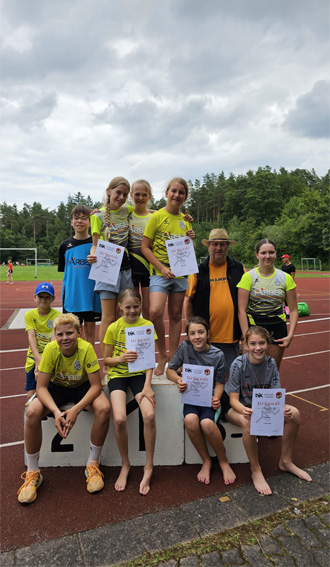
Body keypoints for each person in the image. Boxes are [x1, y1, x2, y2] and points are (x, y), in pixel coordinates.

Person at [17, 313, 110, 504]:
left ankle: (92, 464)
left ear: (79, 332)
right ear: (55, 335)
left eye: (69, 333)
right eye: (60, 334)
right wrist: (56, 412)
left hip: (82, 388)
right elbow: (41, 387)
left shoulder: (87, 348)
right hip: (56, 388)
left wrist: (75, 410)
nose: (64, 338)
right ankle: (33, 472)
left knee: (104, 408)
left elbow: (96, 386)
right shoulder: (51, 349)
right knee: (33, 412)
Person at [221, 326, 312, 495]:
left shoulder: (271, 364)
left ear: (267, 343)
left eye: (262, 343)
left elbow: (275, 396)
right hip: (236, 406)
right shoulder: (238, 364)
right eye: (253, 343)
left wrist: (282, 409)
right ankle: (256, 470)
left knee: (295, 414)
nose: (258, 347)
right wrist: (244, 410)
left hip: (261, 405)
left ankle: (286, 461)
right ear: (246, 345)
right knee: (249, 423)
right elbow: (233, 400)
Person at [167, 316, 236, 486]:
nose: (197, 336)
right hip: (191, 397)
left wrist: (216, 399)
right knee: (190, 420)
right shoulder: (184, 348)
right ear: (188, 336)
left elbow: (220, 383)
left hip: (209, 398)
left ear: (208, 334)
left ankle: (223, 460)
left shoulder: (217, 354)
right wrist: (178, 380)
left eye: (200, 332)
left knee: (206, 423)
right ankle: (206, 460)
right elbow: (170, 370)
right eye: (192, 333)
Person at [103, 288, 156, 495]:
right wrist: (120, 359)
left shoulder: (147, 326)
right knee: (119, 419)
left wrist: (147, 385)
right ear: (120, 307)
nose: (132, 310)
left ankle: (148, 466)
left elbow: (150, 359)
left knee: (149, 415)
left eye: (136, 306)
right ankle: (125, 464)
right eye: (128, 307)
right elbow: (106, 360)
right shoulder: (113, 328)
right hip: (118, 374)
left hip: (139, 375)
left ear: (141, 306)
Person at [141, 177, 195, 376]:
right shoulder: (156, 217)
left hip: (180, 274)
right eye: (174, 191)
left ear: (185, 197)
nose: (177, 195)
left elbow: (189, 250)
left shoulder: (185, 220)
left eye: (181, 192)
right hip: (159, 273)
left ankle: (173, 359)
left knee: (174, 315)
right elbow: (144, 248)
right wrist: (162, 268)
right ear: (166, 193)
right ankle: (162, 355)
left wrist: (191, 240)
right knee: (155, 312)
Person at [184, 229, 245, 377]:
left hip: (232, 337)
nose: (219, 248)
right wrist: (190, 327)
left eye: (222, 244)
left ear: (227, 246)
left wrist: (245, 334)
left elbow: (245, 301)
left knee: (231, 379)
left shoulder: (239, 268)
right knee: (206, 379)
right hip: (206, 338)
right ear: (208, 246)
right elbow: (188, 300)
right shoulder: (198, 270)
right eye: (215, 244)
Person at [88, 177, 134, 361]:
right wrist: (92, 255)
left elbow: (146, 211)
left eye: (124, 194)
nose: (121, 197)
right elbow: (94, 244)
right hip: (106, 269)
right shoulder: (97, 216)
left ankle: (124, 354)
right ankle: (108, 360)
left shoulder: (127, 211)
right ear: (109, 191)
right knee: (108, 317)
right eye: (118, 193)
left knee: (124, 315)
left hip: (125, 269)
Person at [237, 239, 298, 370]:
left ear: (276, 254)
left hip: (277, 330)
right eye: (263, 252)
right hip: (253, 330)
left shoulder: (285, 278)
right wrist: (246, 337)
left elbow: (293, 310)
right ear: (257, 255)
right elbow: (241, 310)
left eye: (271, 252)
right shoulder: (248, 277)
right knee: (249, 373)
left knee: (272, 372)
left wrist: (290, 335)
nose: (268, 256)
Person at [58, 205, 101, 346]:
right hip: (72, 297)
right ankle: (77, 365)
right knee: (73, 334)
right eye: (76, 218)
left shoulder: (97, 244)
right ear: (71, 221)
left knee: (90, 333)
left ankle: (90, 364)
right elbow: (66, 273)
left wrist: (99, 216)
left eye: (84, 218)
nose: (79, 221)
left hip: (92, 295)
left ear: (90, 222)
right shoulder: (65, 245)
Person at [24, 282, 61, 402]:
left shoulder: (57, 316)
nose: (43, 300)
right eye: (40, 296)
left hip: (50, 356)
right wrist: (38, 360)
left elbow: (53, 340)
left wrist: (44, 361)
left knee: (49, 391)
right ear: (35, 297)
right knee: (31, 395)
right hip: (33, 358)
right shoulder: (29, 315)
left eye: (47, 297)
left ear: (53, 299)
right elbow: (31, 337)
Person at [128, 180, 153, 319]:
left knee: (148, 311)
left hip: (148, 270)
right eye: (137, 194)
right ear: (131, 195)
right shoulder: (126, 215)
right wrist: (97, 212)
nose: (141, 198)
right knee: (131, 310)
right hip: (130, 270)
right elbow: (109, 211)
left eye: (144, 194)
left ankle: (149, 340)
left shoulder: (153, 217)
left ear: (149, 196)